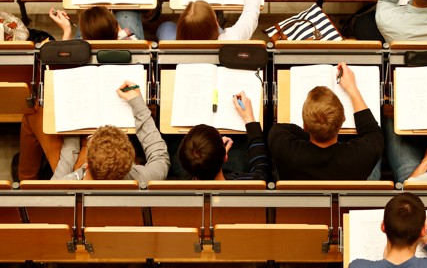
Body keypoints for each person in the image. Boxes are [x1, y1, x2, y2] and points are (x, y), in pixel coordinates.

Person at [19, 82, 169, 186]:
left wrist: (74, 125)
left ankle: (24, 179)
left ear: (87, 164)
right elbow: (160, 156)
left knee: (33, 114)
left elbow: (65, 162)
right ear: (131, 161)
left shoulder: (60, 186)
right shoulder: (143, 178)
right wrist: (137, 102)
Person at [268, 62, 383, 180]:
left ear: (305, 126)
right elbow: (373, 132)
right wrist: (352, 89)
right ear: (343, 120)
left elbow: (280, 128)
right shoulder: (362, 156)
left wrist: (316, 126)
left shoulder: (284, 148)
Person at [176, 91, 270, 181]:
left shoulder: (174, 185)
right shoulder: (249, 182)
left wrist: (218, 154)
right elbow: (261, 171)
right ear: (225, 157)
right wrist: (249, 119)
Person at [49, 6, 143, 41]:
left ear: (83, 36)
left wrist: (67, 29)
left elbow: (65, 57)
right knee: (128, 12)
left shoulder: (80, 50)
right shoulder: (129, 38)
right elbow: (119, 30)